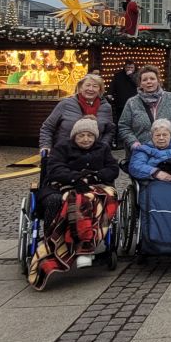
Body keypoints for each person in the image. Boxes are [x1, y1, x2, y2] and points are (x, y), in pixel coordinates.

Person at [29, 115, 120, 290]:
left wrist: (94, 177)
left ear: (95, 137)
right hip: (61, 187)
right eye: (81, 136)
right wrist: (74, 179)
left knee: (95, 200)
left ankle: (85, 246)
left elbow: (112, 169)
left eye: (90, 136)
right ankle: (52, 237)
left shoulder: (102, 149)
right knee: (58, 200)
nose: (86, 139)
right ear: (74, 136)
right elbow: (54, 169)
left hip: (93, 187)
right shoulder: (62, 148)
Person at [40, 73, 116, 156]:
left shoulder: (106, 107)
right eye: (87, 85)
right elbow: (48, 127)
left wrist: (103, 147)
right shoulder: (65, 104)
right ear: (80, 88)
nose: (91, 89)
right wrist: (46, 146)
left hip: (94, 156)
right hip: (65, 154)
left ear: (100, 90)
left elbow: (109, 131)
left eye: (95, 86)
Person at [118, 64, 171, 152]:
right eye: (145, 80)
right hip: (142, 151)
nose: (149, 82)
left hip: (168, 149)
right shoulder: (132, 102)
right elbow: (124, 126)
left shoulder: (170, 98)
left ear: (158, 81)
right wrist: (133, 143)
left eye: (152, 78)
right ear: (140, 84)